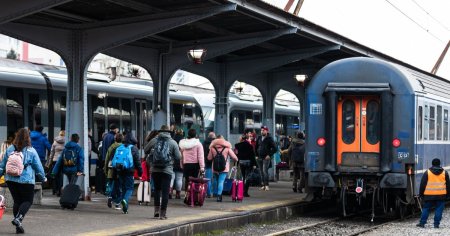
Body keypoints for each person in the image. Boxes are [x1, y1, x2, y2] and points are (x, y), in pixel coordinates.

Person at [0, 128, 47, 234]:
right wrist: (43, 177)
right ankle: (19, 219)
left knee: (17, 201)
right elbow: (38, 166)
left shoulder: (10, 148)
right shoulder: (31, 150)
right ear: (28, 138)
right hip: (26, 180)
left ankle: (18, 226)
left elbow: (2, 165)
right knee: (27, 201)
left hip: (11, 179)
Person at [145, 125, 181, 219]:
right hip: (167, 170)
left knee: (157, 190)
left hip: (155, 169)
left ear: (160, 131)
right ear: (169, 132)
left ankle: (156, 211)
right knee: (165, 191)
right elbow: (178, 157)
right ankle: (163, 214)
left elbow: (145, 150)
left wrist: (153, 155)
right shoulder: (173, 142)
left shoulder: (154, 140)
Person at [113, 132, 142, 214]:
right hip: (129, 171)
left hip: (120, 170)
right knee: (130, 188)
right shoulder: (134, 148)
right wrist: (140, 172)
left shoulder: (119, 147)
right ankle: (125, 200)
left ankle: (125, 209)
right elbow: (137, 162)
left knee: (124, 188)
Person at [416, 158, 450, 228]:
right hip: (441, 195)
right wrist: (448, 195)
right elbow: (448, 185)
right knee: (439, 210)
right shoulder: (445, 173)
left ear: (432, 164)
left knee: (426, 209)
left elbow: (422, 184)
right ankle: (436, 224)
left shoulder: (427, 172)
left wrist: (421, 194)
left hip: (429, 195)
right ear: (439, 164)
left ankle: (422, 223)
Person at [207, 135, 238, 202]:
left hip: (215, 168)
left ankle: (216, 193)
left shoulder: (212, 148)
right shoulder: (227, 148)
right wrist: (236, 159)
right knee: (221, 181)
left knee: (217, 181)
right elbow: (234, 157)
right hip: (224, 168)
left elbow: (209, 158)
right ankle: (219, 196)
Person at [104, 133, 123, 209]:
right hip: (120, 171)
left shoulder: (111, 147)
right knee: (119, 187)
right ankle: (117, 204)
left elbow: (107, 160)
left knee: (111, 185)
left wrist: (106, 170)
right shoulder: (123, 147)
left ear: (115, 139)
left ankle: (110, 197)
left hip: (111, 170)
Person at [99, 124, 118, 194]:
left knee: (106, 174)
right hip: (111, 159)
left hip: (105, 158)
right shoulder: (113, 137)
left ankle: (104, 189)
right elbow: (113, 149)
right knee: (111, 176)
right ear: (115, 129)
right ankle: (110, 191)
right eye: (117, 129)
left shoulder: (105, 136)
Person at [255, 126, 276, 191]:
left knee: (265, 171)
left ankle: (267, 185)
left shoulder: (270, 138)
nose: (262, 131)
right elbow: (256, 147)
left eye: (263, 130)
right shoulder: (259, 138)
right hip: (259, 157)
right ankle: (263, 185)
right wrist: (256, 155)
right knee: (261, 172)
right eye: (261, 130)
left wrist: (269, 155)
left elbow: (275, 148)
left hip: (266, 158)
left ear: (267, 131)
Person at [48, 130, 65, 196]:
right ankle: (61, 190)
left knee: (55, 175)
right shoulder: (66, 141)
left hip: (55, 161)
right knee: (62, 175)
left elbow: (52, 152)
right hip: (63, 161)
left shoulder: (55, 142)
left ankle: (55, 190)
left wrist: (49, 161)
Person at [202, 132, 216, 198]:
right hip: (216, 163)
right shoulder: (215, 143)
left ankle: (209, 193)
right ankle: (215, 193)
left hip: (207, 163)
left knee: (208, 179)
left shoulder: (204, 143)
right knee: (216, 179)